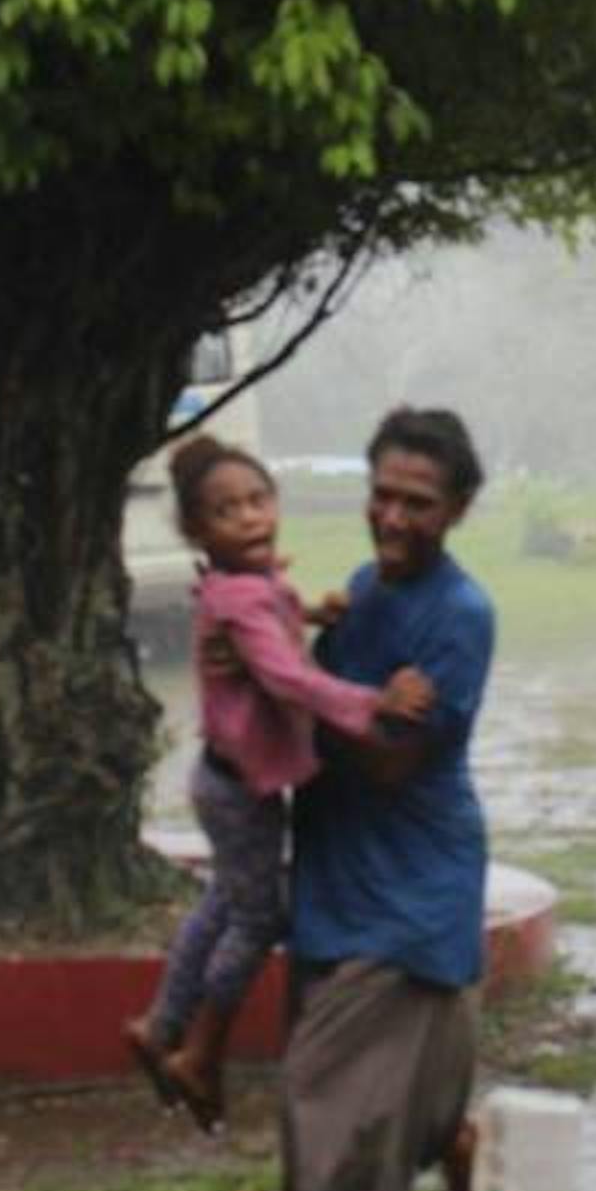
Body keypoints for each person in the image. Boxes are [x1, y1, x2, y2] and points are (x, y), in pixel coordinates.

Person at [123, 434, 436, 1133]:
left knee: (222, 902)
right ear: (198, 531)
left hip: (229, 778)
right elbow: (286, 676)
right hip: (242, 789)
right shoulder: (238, 600)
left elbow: (274, 618)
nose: (250, 517)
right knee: (257, 917)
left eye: (258, 500)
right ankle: (202, 1048)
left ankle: (161, 1022)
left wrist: (312, 615)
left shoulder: (247, 584)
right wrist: (371, 704)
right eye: (227, 510)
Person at [269, 407, 498, 1191]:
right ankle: (455, 1147)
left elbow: (395, 759)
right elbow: (331, 704)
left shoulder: (461, 616)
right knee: (342, 1082)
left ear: (457, 510)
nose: (394, 518)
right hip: (331, 865)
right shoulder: (360, 592)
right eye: (383, 495)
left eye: (419, 502)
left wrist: (291, 704)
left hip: (413, 881)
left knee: (312, 1087)